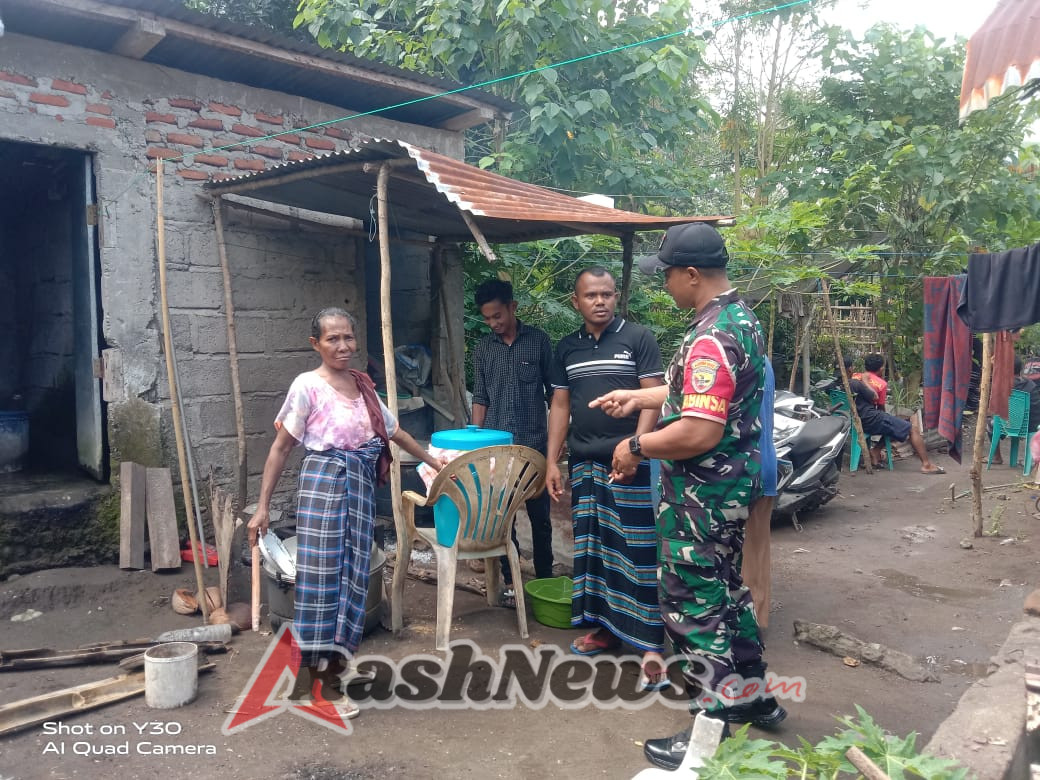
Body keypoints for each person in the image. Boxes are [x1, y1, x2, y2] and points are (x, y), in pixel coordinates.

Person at [590, 223, 785, 771]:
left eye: (669, 275)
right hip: (727, 492)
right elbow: (697, 393)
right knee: (725, 595)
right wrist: (638, 396)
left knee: (692, 607)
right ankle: (754, 698)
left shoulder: (710, 337)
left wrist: (635, 446)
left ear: (692, 274)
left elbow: (698, 430)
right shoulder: (739, 319)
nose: (666, 284)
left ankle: (709, 731)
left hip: (700, 498)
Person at [248, 307, 443, 719]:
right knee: (322, 583)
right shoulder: (307, 386)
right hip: (324, 487)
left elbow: (395, 432)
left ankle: (331, 668)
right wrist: (262, 507)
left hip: (358, 490)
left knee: (355, 578)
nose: (343, 346)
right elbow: (281, 449)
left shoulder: (363, 386)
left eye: (348, 337)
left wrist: (433, 462)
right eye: (332, 339)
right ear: (315, 344)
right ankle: (316, 681)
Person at [544, 266, 667, 690]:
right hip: (583, 463)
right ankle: (605, 628)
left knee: (637, 552)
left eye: (607, 294)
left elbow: (653, 398)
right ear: (575, 301)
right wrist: (552, 461)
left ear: (616, 297)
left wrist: (637, 447)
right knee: (594, 550)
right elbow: (561, 406)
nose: (600, 301)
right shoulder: (567, 348)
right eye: (591, 295)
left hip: (631, 464)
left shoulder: (638, 338)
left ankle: (650, 643)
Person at [471, 279, 555, 600]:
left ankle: (545, 579)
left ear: (512, 307)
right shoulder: (483, 349)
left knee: (540, 517)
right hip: (497, 450)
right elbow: (480, 399)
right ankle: (512, 581)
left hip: (534, 445)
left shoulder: (538, 341)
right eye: (487, 318)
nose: (493, 323)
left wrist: (557, 442)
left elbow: (555, 394)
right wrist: (476, 444)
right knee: (503, 519)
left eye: (498, 316)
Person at [847, 355, 944, 474]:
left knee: (894, 424)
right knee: (911, 428)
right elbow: (881, 408)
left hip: (854, 418)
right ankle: (926, 465)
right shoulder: (881, 384)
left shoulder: (854, 376)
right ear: (881, 368)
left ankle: (875, 451)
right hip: (869, 419)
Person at [741, 359, 777, 630]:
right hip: (764, 464)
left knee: (743, 555)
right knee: (757, 552)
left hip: (743, 471)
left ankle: (745, 628)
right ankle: (757, 622)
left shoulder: (730, 354)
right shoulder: (761, 359)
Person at [991, 355, 1040, 465]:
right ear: (1020, 369)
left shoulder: (1001, 386)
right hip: (1031, 426)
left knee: (991, 424)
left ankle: (996, 457)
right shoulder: (1031, 385)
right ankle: (1031, 460)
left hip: (1007, 425)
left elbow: (996, 408)